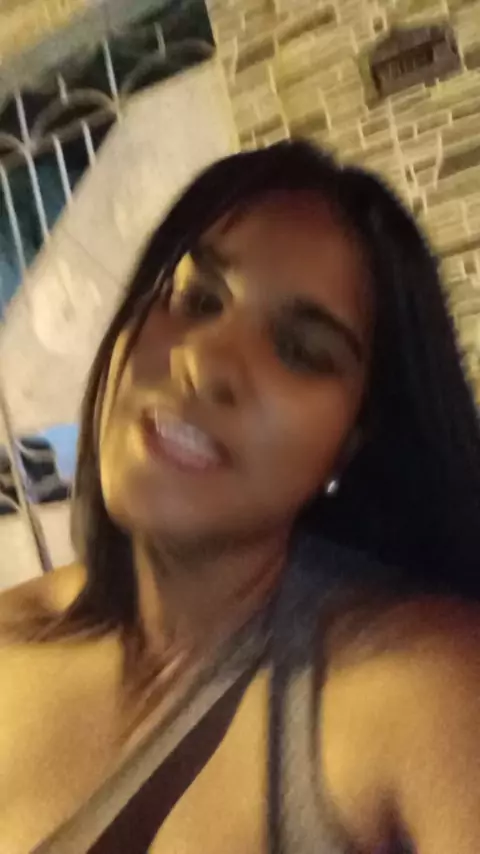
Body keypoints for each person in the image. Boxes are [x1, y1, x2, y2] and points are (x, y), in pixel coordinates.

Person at [0, 139, 479, 854]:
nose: (204, 360)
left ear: (350, 442)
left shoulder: (420, 689)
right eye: (196, 299)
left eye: (302, 351)